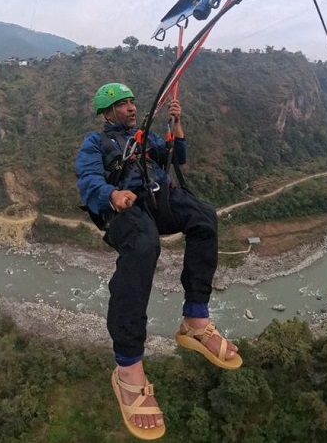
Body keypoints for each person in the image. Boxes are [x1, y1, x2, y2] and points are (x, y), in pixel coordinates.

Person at [76, 82, 240, 439]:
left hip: (157, 199)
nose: (131, 107)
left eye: (133, 101)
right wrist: (112, 193)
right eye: (122, 104)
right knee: (144, 246)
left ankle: (195, 320)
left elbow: (176, 157)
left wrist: (176, 127)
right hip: (126, 208)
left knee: (204, 217)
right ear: (107, 113)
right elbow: (87, 181)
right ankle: (128, 366)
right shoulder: (96, 143)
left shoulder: (143, 136)